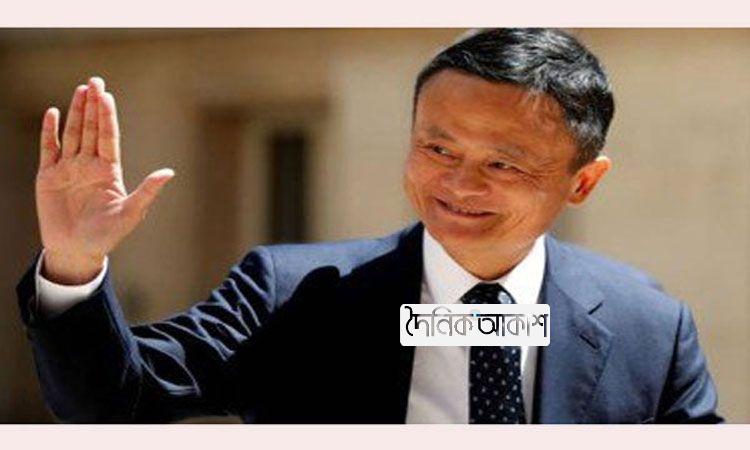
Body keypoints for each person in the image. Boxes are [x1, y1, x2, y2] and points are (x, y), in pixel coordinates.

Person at [16, 28, 722, 424]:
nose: (458, 185)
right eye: (437, 149)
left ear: (583, 182)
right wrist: (74, 264)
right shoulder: (290, 293)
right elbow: (112, 405)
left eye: (502, 164)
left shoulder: (649, 329)